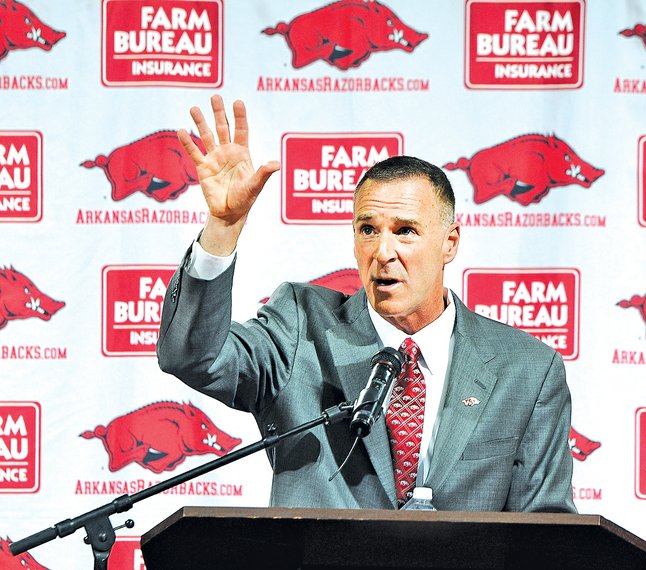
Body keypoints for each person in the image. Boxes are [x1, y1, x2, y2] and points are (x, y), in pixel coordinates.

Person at [157, 95, 576, 512]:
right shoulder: (301, 327)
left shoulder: (526, 369)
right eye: (368, 229)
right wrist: (222, 229)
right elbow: (194, 358)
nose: (383, 251)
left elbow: (544, 533)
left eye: (406, 230)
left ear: (449, 243)